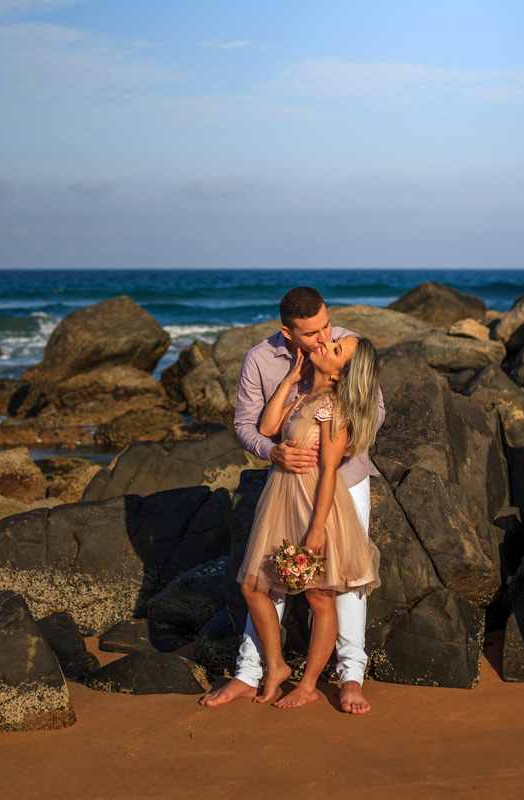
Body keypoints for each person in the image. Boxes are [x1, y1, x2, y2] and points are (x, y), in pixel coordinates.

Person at [200, 287, 385, 713]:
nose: (324, 337)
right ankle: (253, 670)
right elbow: (249, 426)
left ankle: (350, 675)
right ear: (289, 332)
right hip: (284, 485)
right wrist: (273, 451)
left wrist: (335, 441)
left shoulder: (346, 351)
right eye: (313, 333)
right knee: (265, 577)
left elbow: (371, 407)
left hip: (342, 479)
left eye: (327, 326)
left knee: (344, 581)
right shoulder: (261, 360)